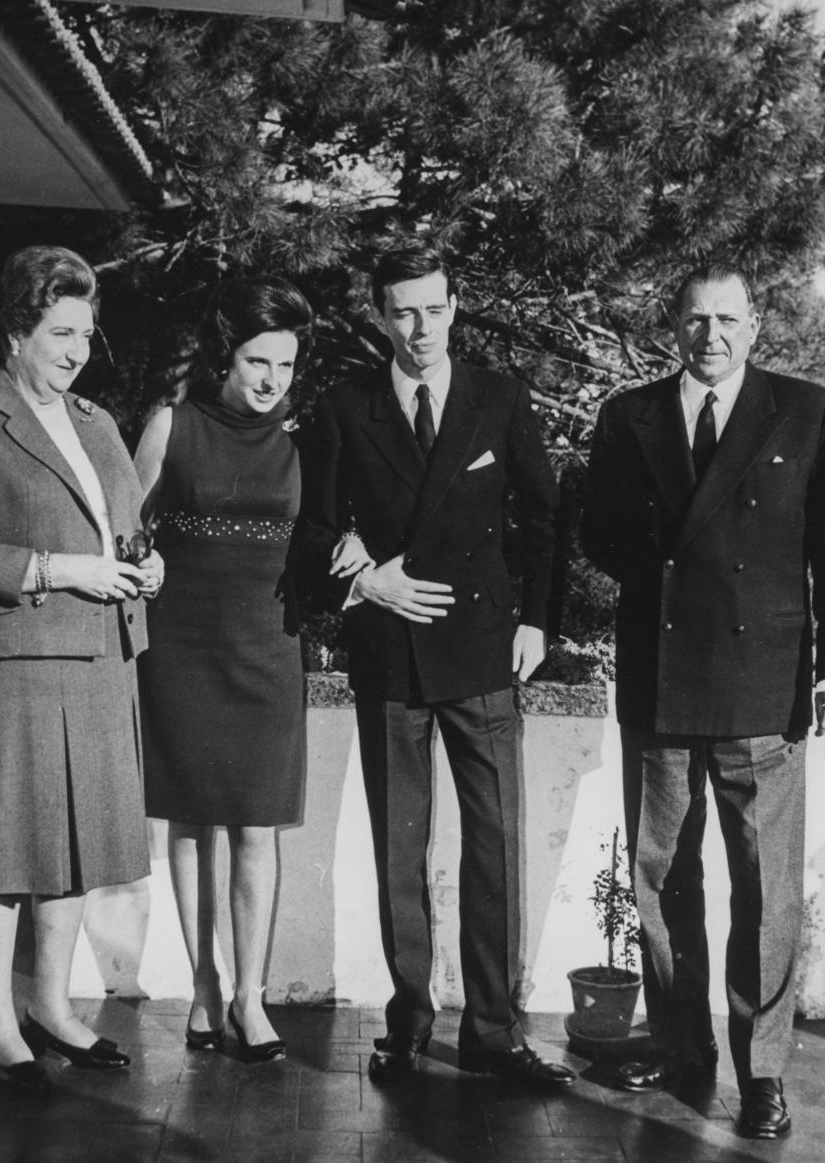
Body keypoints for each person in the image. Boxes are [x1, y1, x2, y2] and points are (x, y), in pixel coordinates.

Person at [582, 263, 825, 1139]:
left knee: (765, 887)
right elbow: (600, 533)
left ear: (757, 327)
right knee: (662, 874)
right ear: (673, 323)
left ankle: (765, 1070)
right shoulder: (627, 417)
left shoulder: (806, 409)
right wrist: (668, 567)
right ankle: (682, 1046)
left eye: (730, 319)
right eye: (697, 318)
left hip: (763, 684)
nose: (713, 335)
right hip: (661, 681)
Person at [304, 244, 574, 1087]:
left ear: (455, 306)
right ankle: (410, 1017)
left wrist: (538, 621)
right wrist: (364, 574)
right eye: (402, 311)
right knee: (401, 848)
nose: (420, 328)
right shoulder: (345, 407)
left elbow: (547, 517)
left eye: (433, 308)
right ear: (380, 316)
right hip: (390, 655)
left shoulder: (500, 397)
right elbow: (308, 526)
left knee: (493, 844)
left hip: (488, 653)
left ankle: (495, 1027)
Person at [0, 246, 163, 1092]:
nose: (76, 350)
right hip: (14, 658)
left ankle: (52, 1008)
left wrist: (142, 567)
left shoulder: (95, 419)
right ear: (16, 331)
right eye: (59, 333)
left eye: (85, 334)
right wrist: (58, 568)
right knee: (9, 847)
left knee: (73, 845)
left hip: (97, 654)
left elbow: (123, 527)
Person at [134, 276, 356, 1062]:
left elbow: (326, 538)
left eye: (286, 366)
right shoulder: (172, 425)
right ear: (224, 356)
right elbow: (125, 535)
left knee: (257, 827)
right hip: (182, 649)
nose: (271, 380)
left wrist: (348, 549)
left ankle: (248, 998)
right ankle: (200, 986)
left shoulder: (300, 446)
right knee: (193, 823)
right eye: (258, 361)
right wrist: (141, 561)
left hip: (267, 651)